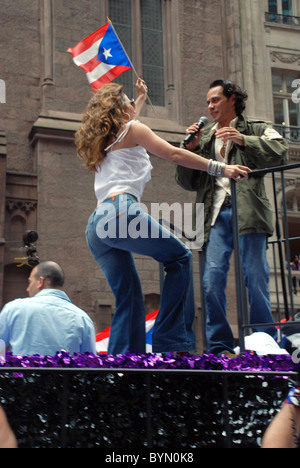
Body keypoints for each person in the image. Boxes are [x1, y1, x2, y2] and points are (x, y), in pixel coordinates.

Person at [75, 78, 250, 355]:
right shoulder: (132, 129)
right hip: (120, 212)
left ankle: (123, 368)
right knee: (180, 258)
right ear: (122, 111)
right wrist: (221, 168)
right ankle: (171, 341)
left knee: (129, 297)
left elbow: (132, 123)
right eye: (130, 103)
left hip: (97, 226)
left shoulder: (106, 140)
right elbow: (172, 153)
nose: (134, 105)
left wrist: (140, 97)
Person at [176, 79, 289, 357]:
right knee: (211, 281)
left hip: (248, 212)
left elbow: (281, 152)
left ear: (233, 99)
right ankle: (220, 348)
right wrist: (189, 150)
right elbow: (187, 181)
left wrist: (243, 140)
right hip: (213, 216)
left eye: (215, 100)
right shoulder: (203, 136)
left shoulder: (257, 128)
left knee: (256, 278)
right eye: (208, 103)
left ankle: (263, 341)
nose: (210, 106)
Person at [0, 261, 96, 356]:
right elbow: (90, 363)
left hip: (21, 371)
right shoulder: (83, 319)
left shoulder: (14, 309)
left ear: (41, 281)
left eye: (30, 282)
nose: (28, 288)